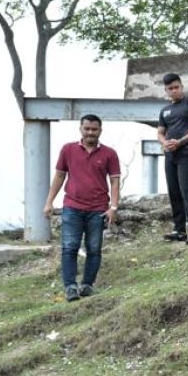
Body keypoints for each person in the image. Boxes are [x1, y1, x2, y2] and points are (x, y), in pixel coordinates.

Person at [43, 115, 121, 301]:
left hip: (98, 209)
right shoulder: (68, 149)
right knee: (69, 247)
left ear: (100, 131)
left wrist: (114, 207)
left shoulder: (109, 153)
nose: (90, 132)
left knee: (94, 248)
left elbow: (115, 181)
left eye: (94, 129)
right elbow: (59, 176)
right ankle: (70, 287)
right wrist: (48, 202)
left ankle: (87, 285)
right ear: (81, 129)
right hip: (72, 207)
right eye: (87, 129)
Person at [156, 74, 188, 244]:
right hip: (170, 155)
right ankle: (179, 230)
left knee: (187, 191)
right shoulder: (165, 110)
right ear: (166, 90)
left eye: (176, 87)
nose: (174, 91)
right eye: (170, 88)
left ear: (181, 87)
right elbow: (160, 132)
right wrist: (165, 143)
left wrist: (181, 141)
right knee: (174, 191)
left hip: (186, 152)